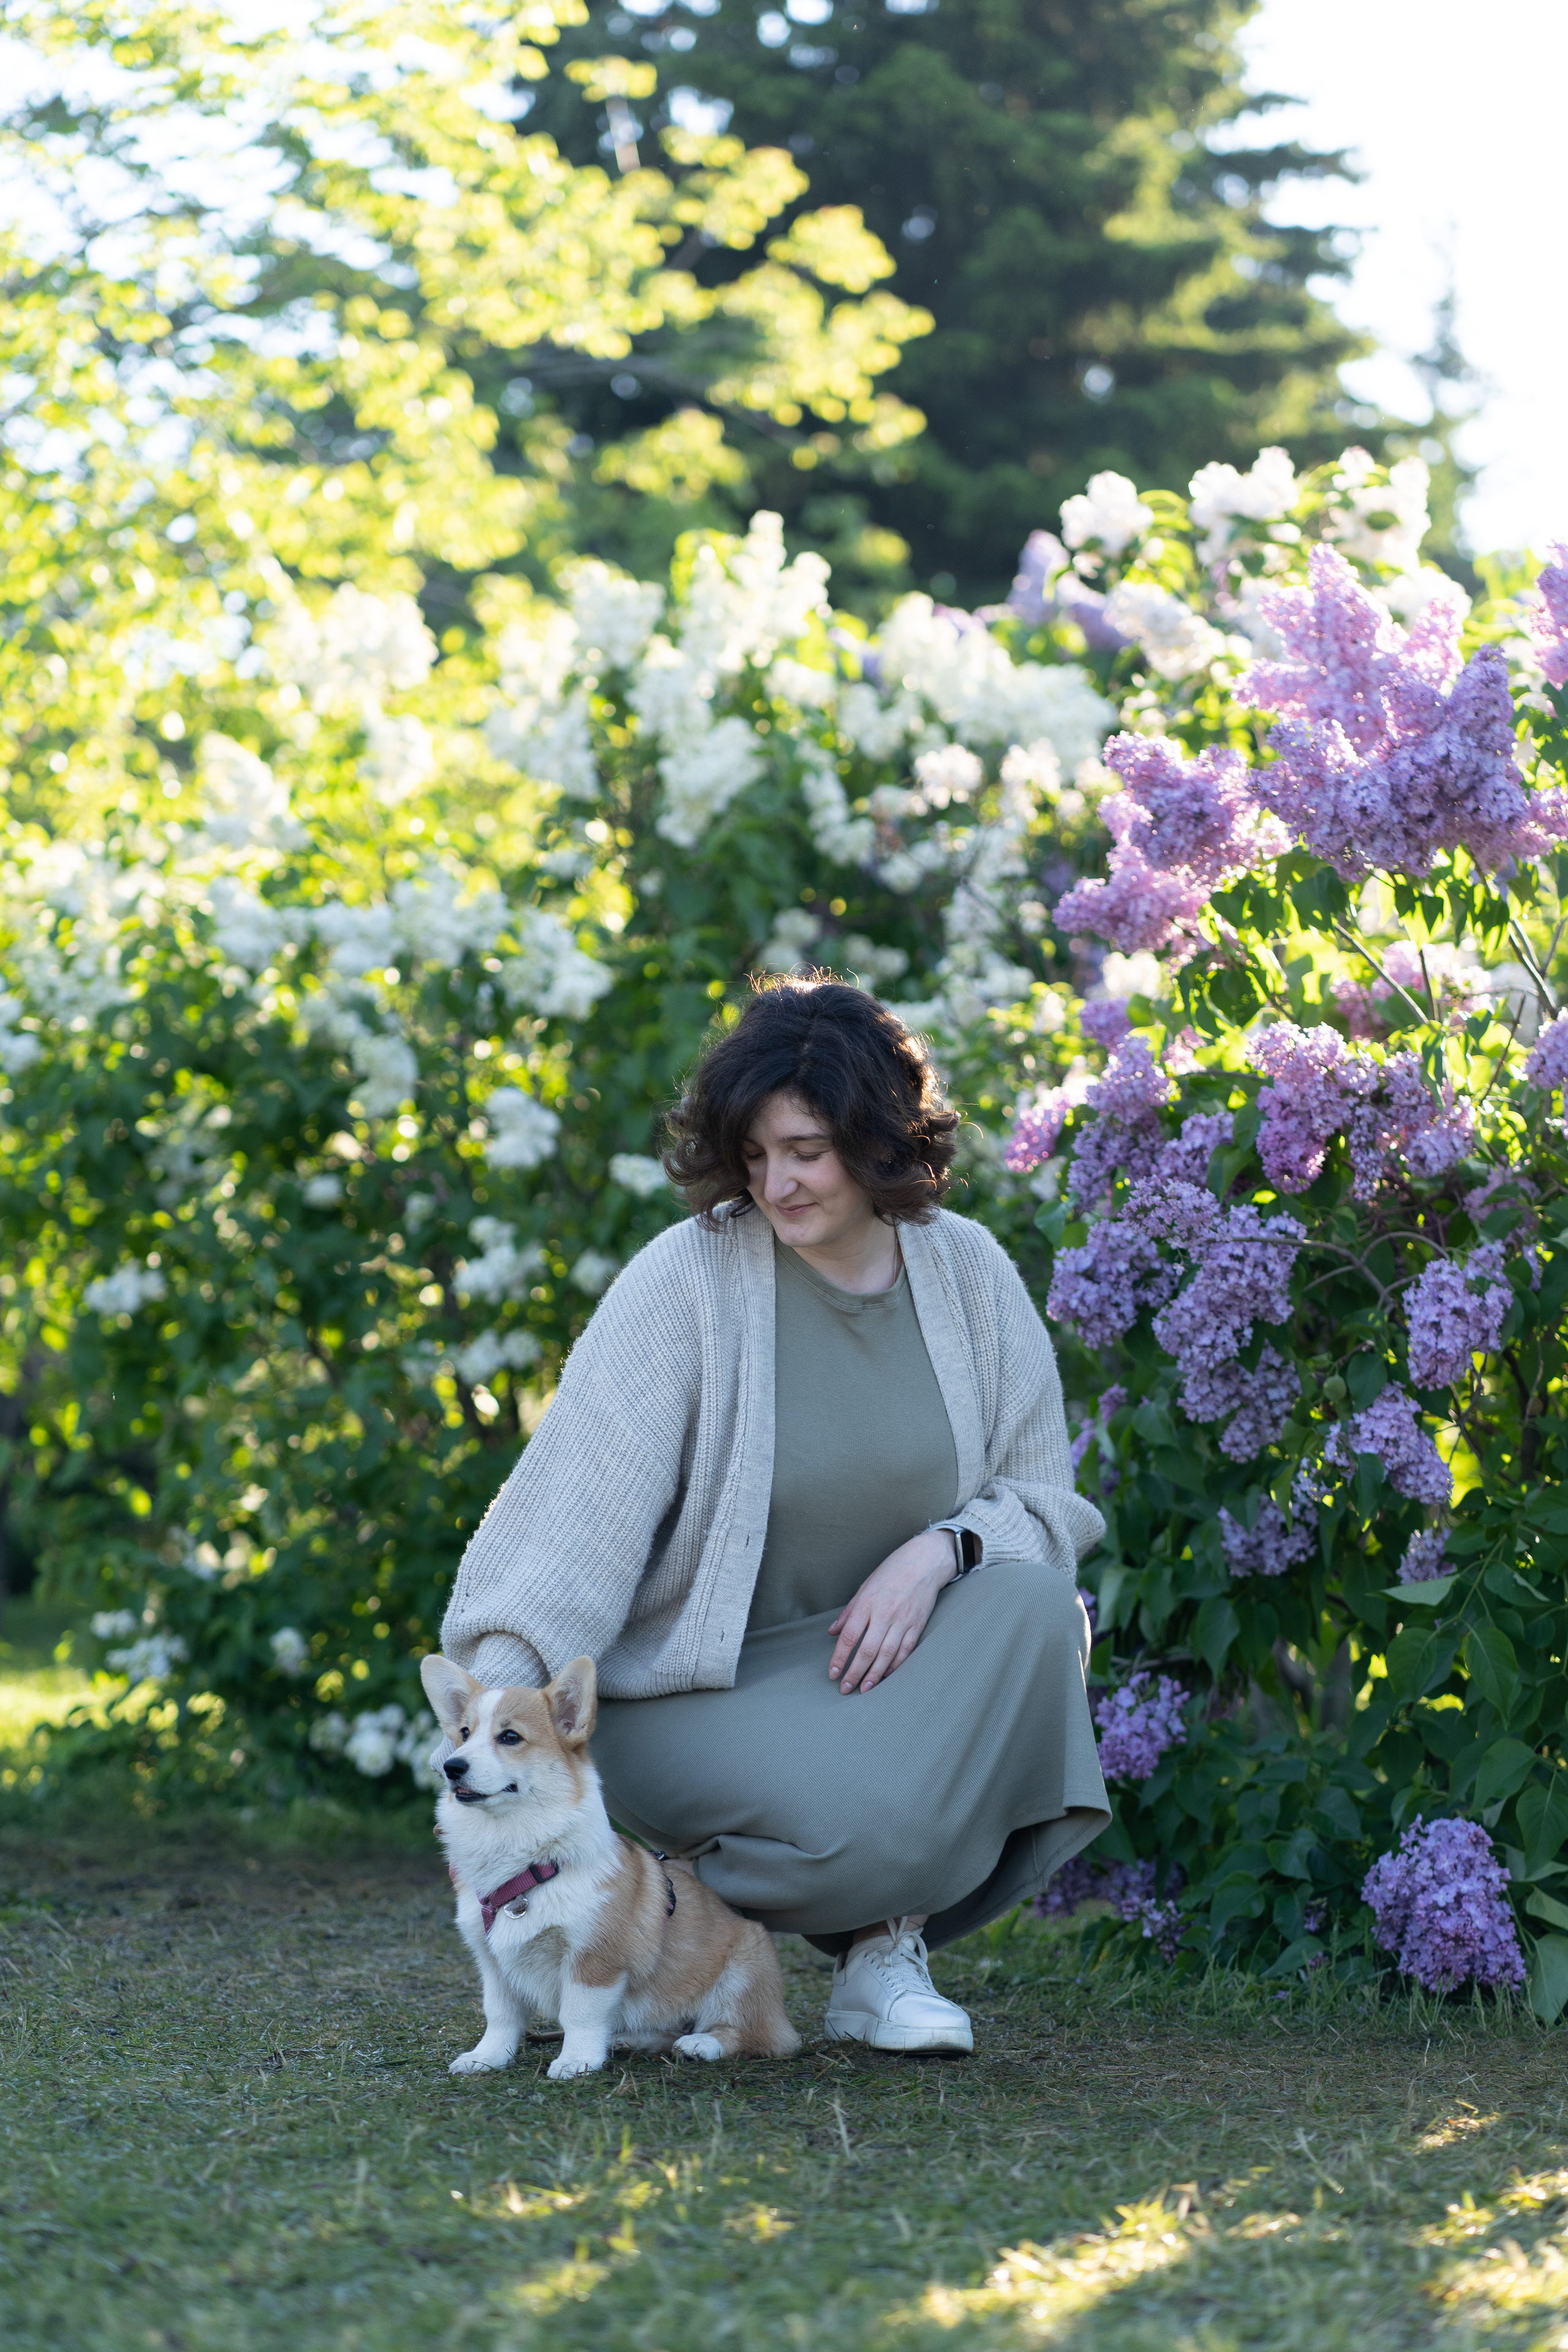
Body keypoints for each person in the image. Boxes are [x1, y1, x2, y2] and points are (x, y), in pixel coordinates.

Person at [439, 979, 1109, 2054]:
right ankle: (675, 1907)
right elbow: (573, 1524)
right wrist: (497, 1717)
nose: (777, 1183)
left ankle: (871, 1962)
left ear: (879, 1139)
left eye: (805, 1150)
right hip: (700, 1693)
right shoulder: (688, 1281)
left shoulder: (971, 1274)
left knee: (1038, 1607)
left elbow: (1047, 1504)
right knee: (859, 1825)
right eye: (755, 1155)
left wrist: (942, 1552)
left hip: (882, 1677)